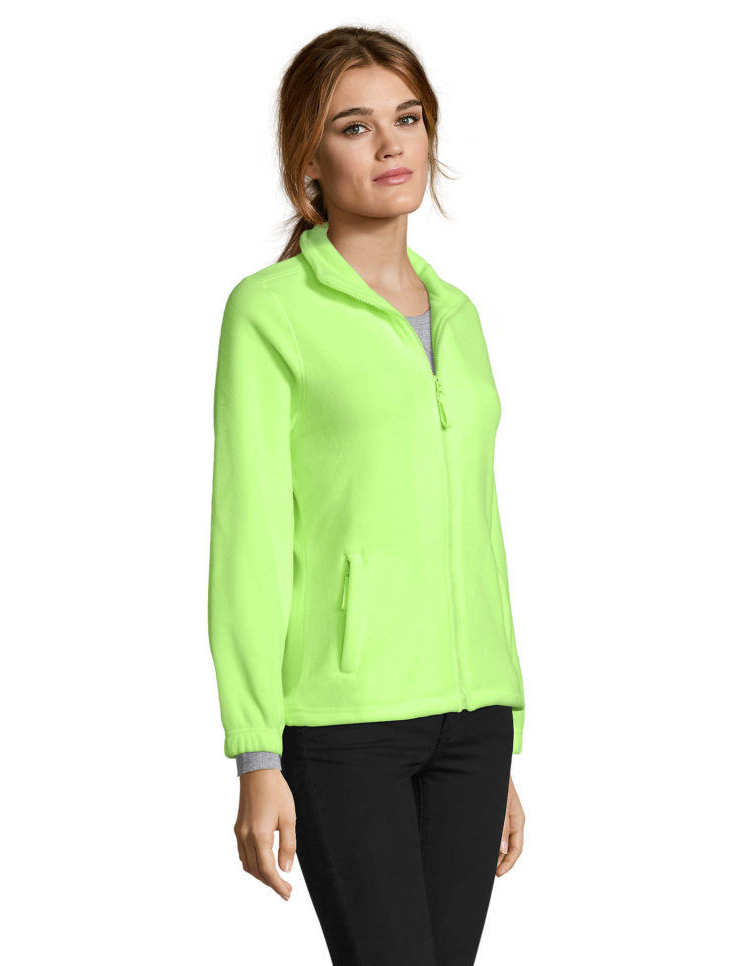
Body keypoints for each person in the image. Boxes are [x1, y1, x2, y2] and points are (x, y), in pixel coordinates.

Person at [208, 25, 527, 966]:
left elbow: (479, 530)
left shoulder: (460, 316)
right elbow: (250, 536)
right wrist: (257, 754)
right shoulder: (270, 312)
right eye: (355, 126)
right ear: (307, 160)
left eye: (408, 119)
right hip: (345, 724)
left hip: (472, 728)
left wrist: (503, 727)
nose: (391, 145)